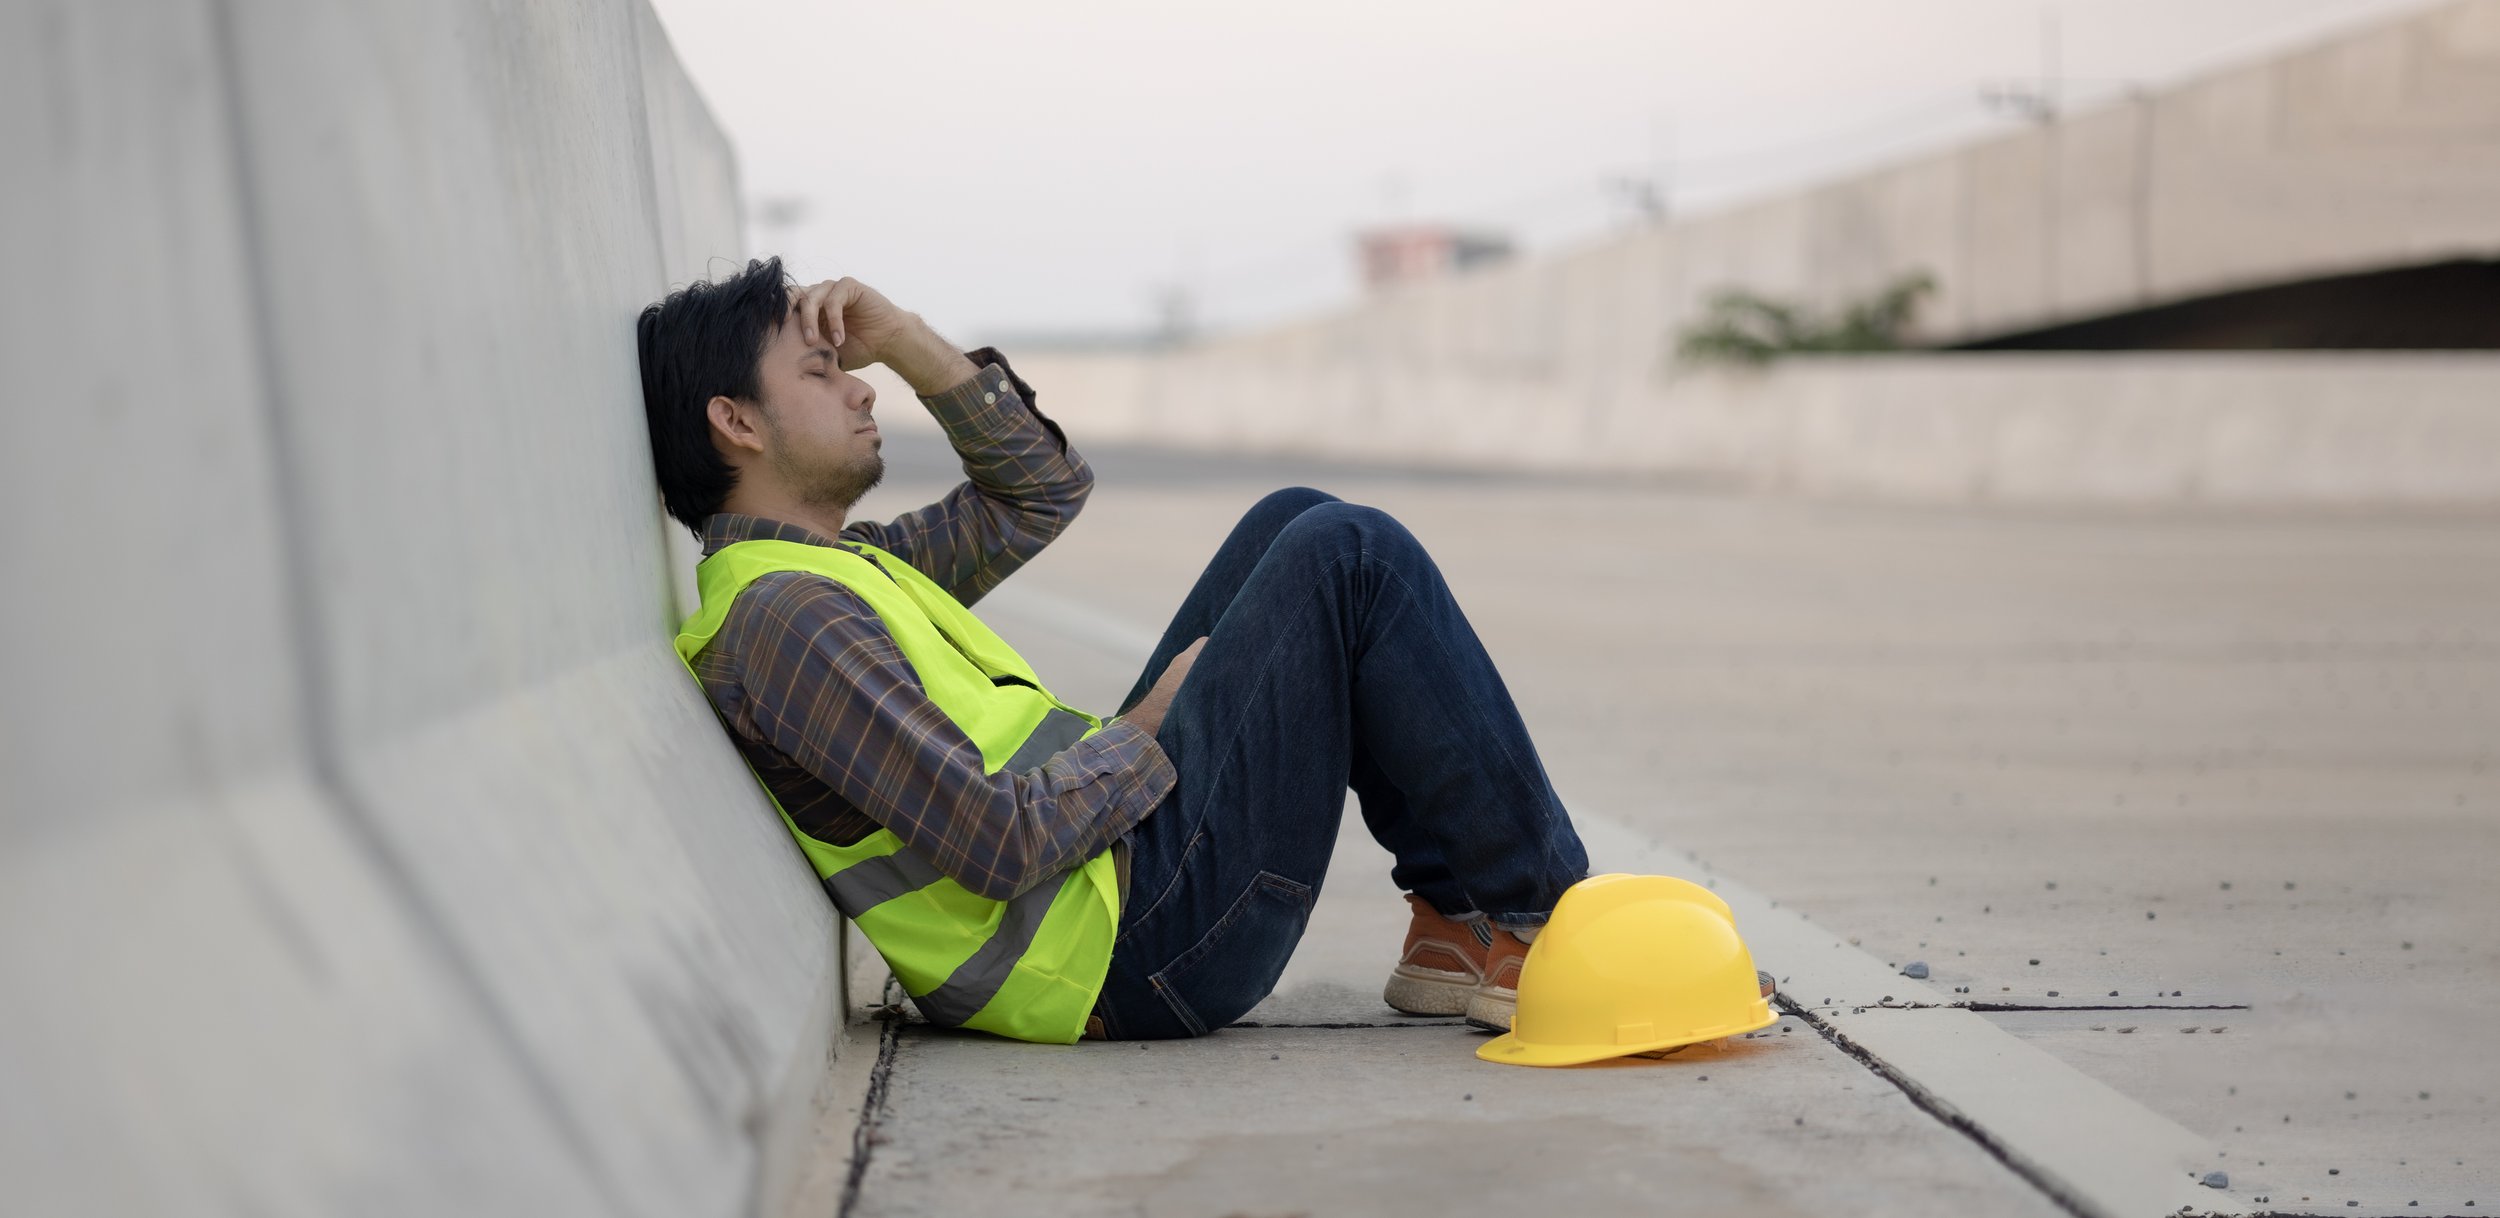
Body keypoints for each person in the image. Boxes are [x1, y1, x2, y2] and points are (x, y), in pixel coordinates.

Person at [638, 257, 1590, 1043]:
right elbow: (996, 842)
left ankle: (1457, 925)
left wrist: (907, 339)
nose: (858, 385)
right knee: (1351, 553)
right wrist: (1146, 725)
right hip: (1125, 951)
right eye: (820, 373)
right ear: (737, 421)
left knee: (1292, 521)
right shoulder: (785, 624)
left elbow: (1038, 490)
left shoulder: (847, 570)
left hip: (1120, 886)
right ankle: (1552, 930)